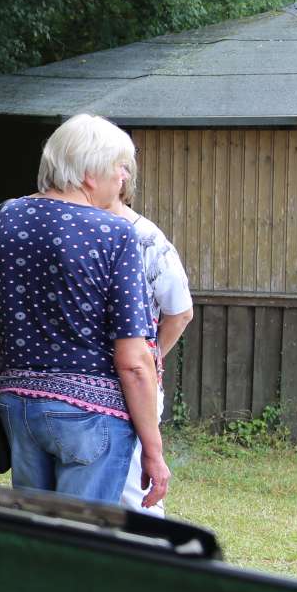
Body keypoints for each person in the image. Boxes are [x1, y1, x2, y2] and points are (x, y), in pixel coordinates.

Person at [0, 113, 169, 508]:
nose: (123, 179)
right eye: (120, 168)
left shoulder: (6, 217)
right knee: (79, 545)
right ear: (89, 173)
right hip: (92, 419)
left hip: (18, 408)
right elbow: (134, 362)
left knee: (38, 535)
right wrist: (153, 449)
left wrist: (9, 370)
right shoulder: (116, 233)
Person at [101, 168, 193, 516]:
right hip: (82, 389)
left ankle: (152, 562)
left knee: (135, 495)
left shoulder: (146, 237)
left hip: (132, 389)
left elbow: (181, 312)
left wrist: (147, 362)